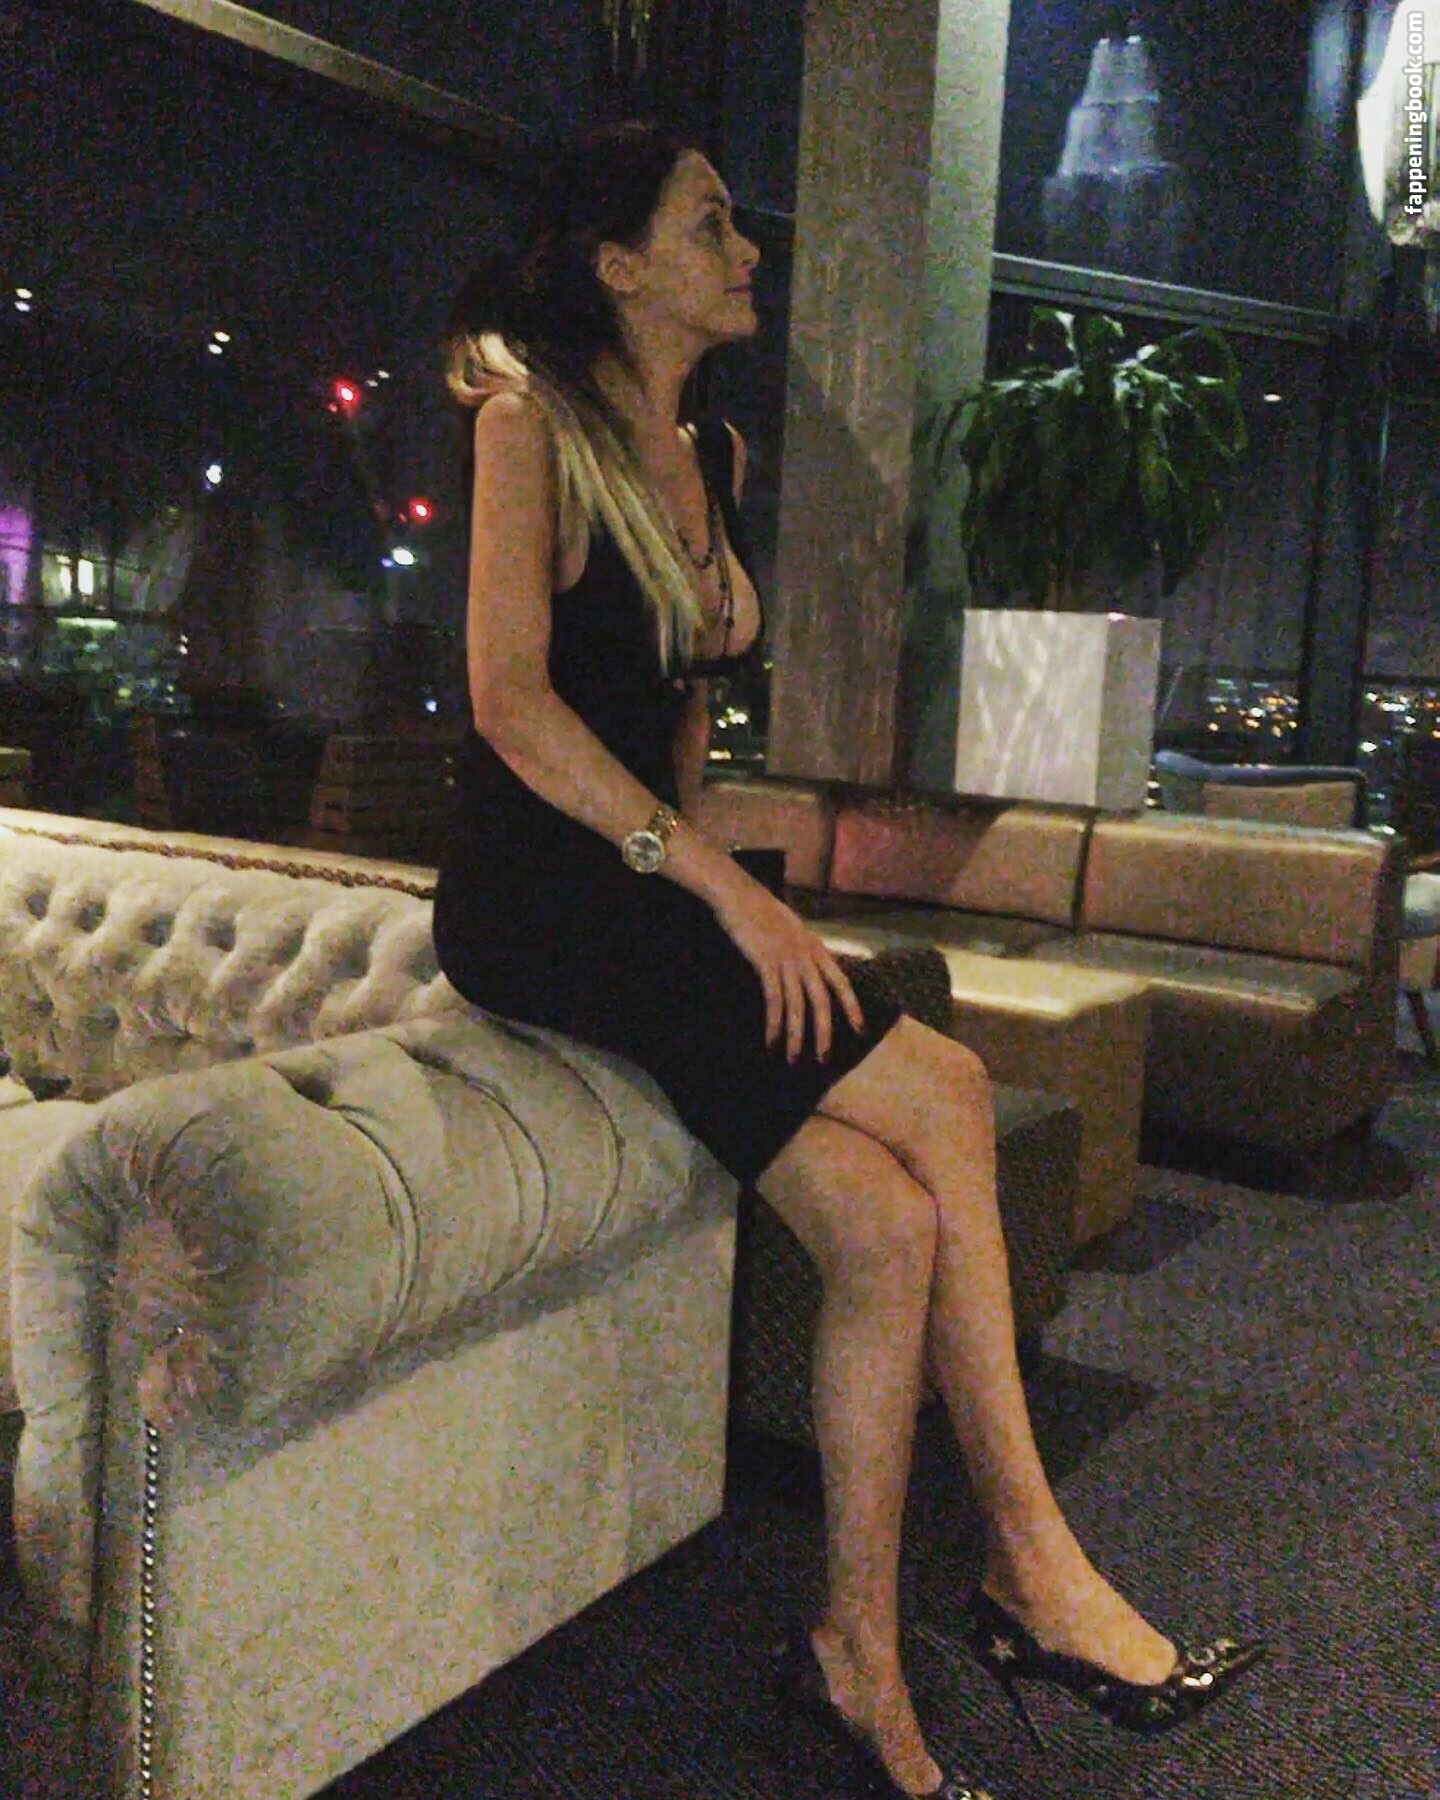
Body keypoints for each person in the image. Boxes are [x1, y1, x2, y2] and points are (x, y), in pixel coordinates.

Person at [432, 118, 1262, 1800]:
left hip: (646, 883)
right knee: (945, 1089)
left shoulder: (711, 455)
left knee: (883, 1228)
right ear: (618, 265)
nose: (747, 251)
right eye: (709, 224)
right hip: (533, 897)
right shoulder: (535, 426)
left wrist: (723, 892)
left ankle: (854, 1656)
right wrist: (720, 898)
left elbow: (677, 731)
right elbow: (511, 704)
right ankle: (1030, 1563)